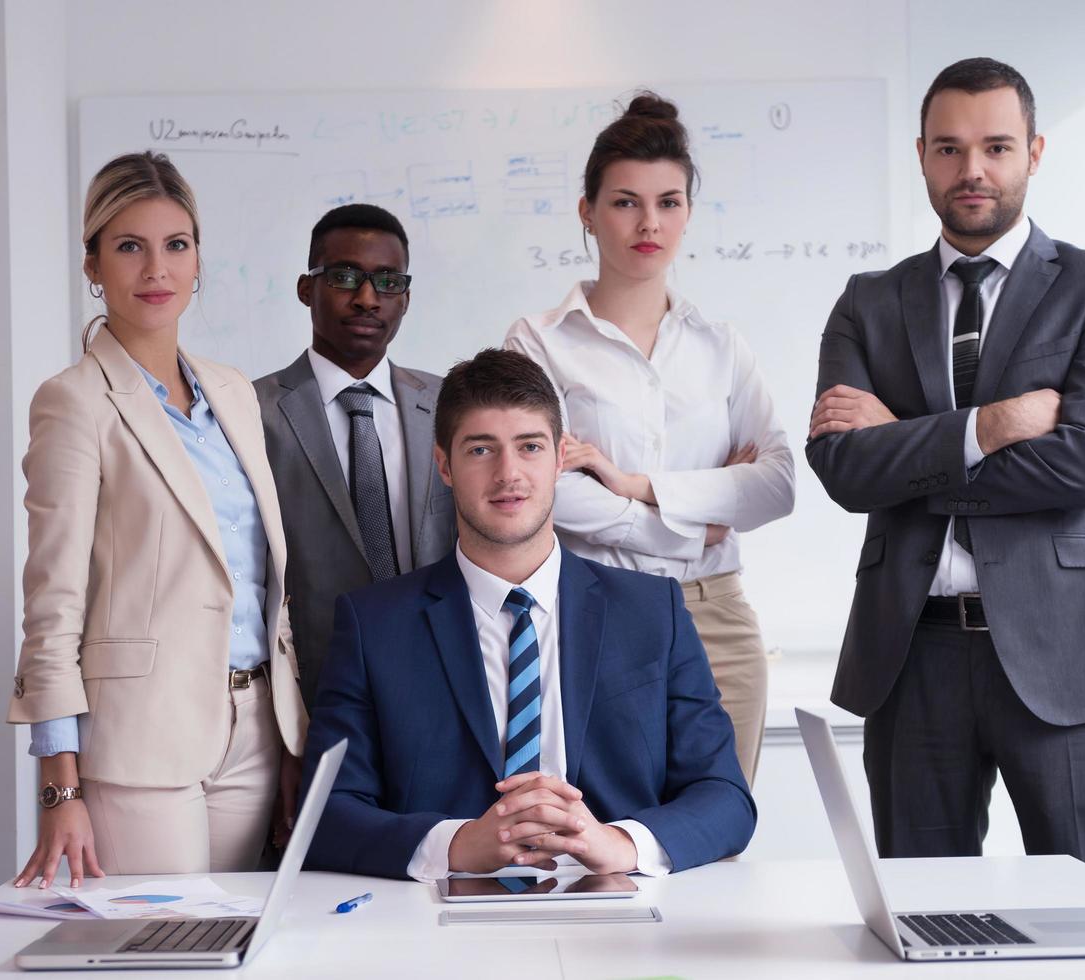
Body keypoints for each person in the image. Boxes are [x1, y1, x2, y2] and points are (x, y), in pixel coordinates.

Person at [806, 58, 1085, 890]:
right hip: (910, 655)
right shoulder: (867, 301)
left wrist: (907, 444)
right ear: (921, 156)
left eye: (996, 147)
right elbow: (842, 468)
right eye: (948, 148)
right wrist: (992, 425)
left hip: (1069, 652)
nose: (971, 170)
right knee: (920, 914)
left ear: (1033, 152)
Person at [301, 348, 755, 880]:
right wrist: (454, 845)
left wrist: (621, 844)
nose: (508, 473)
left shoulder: (653, 612)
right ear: (444, 465)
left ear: (560, 458)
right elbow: (327, 815)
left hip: (617, 909)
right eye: (480, 450)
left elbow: (725, 796)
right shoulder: (374, 624)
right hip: (440, 917)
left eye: (530, 446)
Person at [7, 152, 306, 885]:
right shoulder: (73, 402)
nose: (155, 270)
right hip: (139, 740)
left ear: (198, 258)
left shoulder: (234, 394)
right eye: (129, 246)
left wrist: (286, 735)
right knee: (158, 952)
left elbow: (264, 578)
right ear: (92, 265)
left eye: (175, 245)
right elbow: (52, 608)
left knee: (231, 950)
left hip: (254, 728)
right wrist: (59, 788)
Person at [504, 93, 795, 786]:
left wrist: (635, 486)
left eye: (668, 202)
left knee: (718, 831)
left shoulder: (720, 346)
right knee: (607, 835)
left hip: (716, 615)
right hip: (598, 609)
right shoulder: (537, 341)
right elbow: (545, 492)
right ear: (587, 211)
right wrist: (694, 525)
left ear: (688, 212)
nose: (648, 222)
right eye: (625, 202)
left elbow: (778, 483)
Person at [254, 204, 455, 708]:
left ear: (405, 299)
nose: (368, 299)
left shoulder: (451, 406)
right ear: (306, 289)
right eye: (345, 277)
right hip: (312, 692)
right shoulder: (248, 411)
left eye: (388, 282)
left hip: (440, 683)